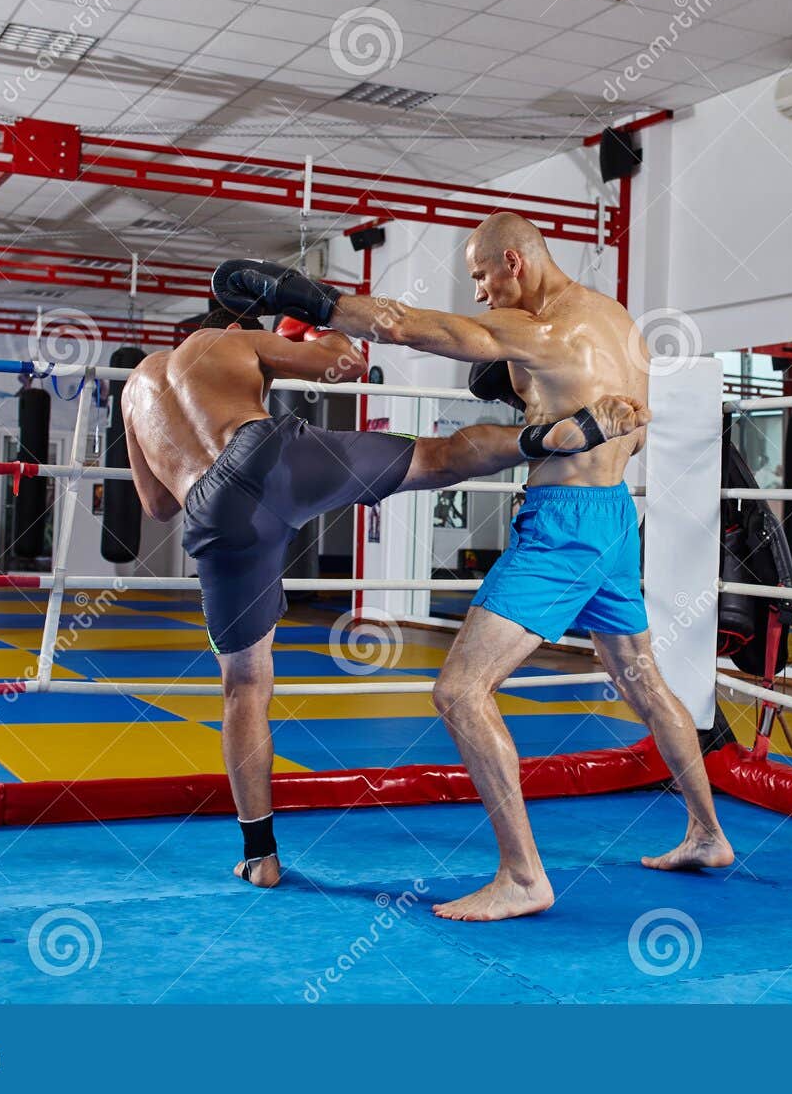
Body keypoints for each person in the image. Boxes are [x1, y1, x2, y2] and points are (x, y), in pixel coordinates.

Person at [214, 212, 735, 922]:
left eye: (484, 277)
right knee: (641, 677)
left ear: (515, 261)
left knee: (460, 691)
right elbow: (631, 432)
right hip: (614, 515)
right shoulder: (615, 319)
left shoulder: (539, 331)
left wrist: (313, 300)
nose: (482, 293)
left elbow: (408, 326)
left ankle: (522, 875)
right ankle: (707, 833)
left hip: (565, 528)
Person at [121, 309, 651, 889]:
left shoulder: (134, 392)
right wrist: (312, 327)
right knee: (439, 457)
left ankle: (260, 855)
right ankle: (541, 438)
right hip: (270, 454)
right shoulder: (224, 343)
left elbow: (156, 507)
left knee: (245, 688)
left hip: (212, 514)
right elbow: (346, 364)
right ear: (235, 327)